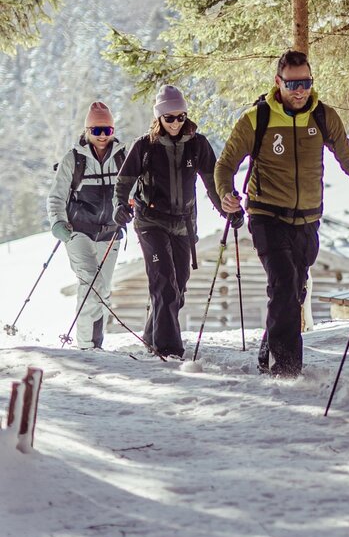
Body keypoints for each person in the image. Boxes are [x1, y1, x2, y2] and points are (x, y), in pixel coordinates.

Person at [216, 50, 349, 377]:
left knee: (294, 290)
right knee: (284, 285)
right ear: (278, 82)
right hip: (266, 215)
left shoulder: (322, 117)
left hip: (308, 220)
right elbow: (225, 165)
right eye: (292, 84)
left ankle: (267, 352)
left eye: (306, 82)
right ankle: (286, 371)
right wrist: (226, 195)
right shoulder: (256, 119)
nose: (300, 90)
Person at [113, 86, 224, 360]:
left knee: (179, 285)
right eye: (170, 118)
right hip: (150, 222)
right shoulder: (144, 146)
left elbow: (212, 181)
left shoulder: (198, 144)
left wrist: (226, 208)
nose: (176, 123)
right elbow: (124, 181)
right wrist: (119, 206)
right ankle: (168, 350)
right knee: (164, 281)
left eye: (181, 117)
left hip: (184, 224)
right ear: (159, 118)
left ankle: (153, 335)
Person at [46, 102, 128, 349]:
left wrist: (130, 208)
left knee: (102, 289)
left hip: (110, 233)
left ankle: (96, 343)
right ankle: (86, 345)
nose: (103, 136)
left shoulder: (123, 157)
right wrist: (58, 223)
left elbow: (134, 190)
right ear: (87, 131)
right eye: (96, 131)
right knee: (90, 282)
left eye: (107, 130)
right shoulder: (73, 159)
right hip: (78, 231)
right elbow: (56, 196)